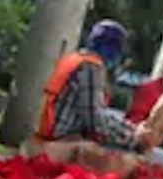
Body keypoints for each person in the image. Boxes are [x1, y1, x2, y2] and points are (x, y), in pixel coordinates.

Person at [35, 19, 142, 149]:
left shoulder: (76, 57)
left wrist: (130, 128)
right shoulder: (91, 66)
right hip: (59, 138)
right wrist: (133, 139)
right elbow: (95, 121)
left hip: (48, 127)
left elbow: (97, 112)